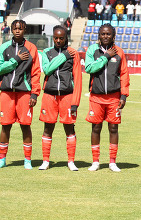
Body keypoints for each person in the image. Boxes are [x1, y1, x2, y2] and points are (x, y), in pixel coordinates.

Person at [0, 20, 41, 169]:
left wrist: (34, 94)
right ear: (11, 30)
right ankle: (2, 159)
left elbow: (36, 72)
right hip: (7, 93)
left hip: (24, 93)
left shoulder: (31, 48)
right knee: (5, 125)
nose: (18, 31)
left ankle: (27, 160)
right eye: (15, 28)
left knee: (25, 126)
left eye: (20, 28)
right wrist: (16, 60)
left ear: (25, 29)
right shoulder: (4, 47)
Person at [84, 24, 130, 172]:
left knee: (113, 128)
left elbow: (124, 75)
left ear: (113, 35)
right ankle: (95, 161)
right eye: (103, 34)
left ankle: (112, 162)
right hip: (96, 97)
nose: (105, 36)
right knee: (96, 127)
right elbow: (89, 68)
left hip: (114, 97)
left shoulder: (119, 53)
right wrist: (106, 57)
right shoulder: (92, 50)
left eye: (108, 34)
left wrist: (124, 95)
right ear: (99, 35)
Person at [38, 25, 82, 171]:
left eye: (61, 38)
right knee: (48, 127)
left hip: (67, 96)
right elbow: (47, 70)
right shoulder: (46, 52)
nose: (58, 40)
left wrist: (75, 102)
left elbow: (78, 79)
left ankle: (71, 161)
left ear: (65, 38)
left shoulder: (74, 53)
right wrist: (63, 57)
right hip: (49, 95)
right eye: (56, 38)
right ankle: (45, 161)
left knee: (69, 128)